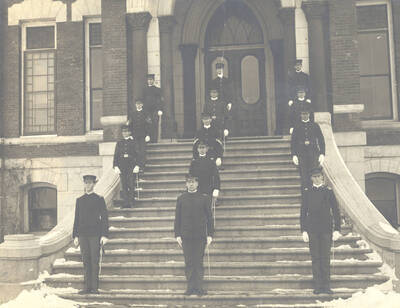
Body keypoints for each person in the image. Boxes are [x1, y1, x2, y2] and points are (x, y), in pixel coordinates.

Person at [300, 167, 341, 294]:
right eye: (314, 176)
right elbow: (303, 212)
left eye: (319, 176)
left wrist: (337, 229)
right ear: (311, 178)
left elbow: (335, 211)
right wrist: (304, 230)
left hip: (326, 229)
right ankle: (317, 286)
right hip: (312, 229)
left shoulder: (328, 191)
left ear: (322, 177)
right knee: (316, 258)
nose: (317, 178)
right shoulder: (307, 192)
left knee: (325, 258)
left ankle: (326, 286)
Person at [174, 174, 214, 296]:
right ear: (186, 184)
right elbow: (178, 218)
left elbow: (209, 218)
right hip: (186, 236)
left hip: (200, 236)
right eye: (188, 182)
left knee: (198, 262)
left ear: (197, 183)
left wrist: (210, 235)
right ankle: (190, 287)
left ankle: (199, 288)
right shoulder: (181, 198)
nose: (191, 184)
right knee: (189, 262)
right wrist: (177, 235)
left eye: (193, 182)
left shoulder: (204, 198)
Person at [72, 174, 109, 295]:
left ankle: (95, 288)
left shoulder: (99, 199)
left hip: (95, 234)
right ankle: (87, 287)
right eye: (86, 183)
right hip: (83, 235)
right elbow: (76, 218)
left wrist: (104, 235)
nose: (88, 185)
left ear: (94, 184)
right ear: (84, 184)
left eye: (90, 183)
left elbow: (104, 218)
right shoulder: (79, 200)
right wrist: (75, 235)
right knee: (86, 261)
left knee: (94, 260)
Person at [291, 104, 325, 193]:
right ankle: (305, 198)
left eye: (306, 114)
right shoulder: (297, 126)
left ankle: (314, 195)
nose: (304, 115)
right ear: (300, 115)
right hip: (301, 154)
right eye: (303, 114)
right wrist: (294, 155)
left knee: (314, 174)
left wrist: (322, 153)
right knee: (304, 177)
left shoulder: (315, 125)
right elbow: (293, 142)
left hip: (313, 153)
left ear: (309, 114)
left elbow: (321, 140)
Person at [113, 124, 140, 208]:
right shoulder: (119, 143)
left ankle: (131, 202)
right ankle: (125, 202)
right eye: (124, 131)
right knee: (124, 185)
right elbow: (116, 155)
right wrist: (115, 166)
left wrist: (137, 165)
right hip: (122, 166)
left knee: (131, 184)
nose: (125, 133)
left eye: (127, 131)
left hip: (131, 166)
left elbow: (138, 154)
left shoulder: (134, 142)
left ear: (130, 132)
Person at [128, 99, 152, 172]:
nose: (138, 105)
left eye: (140, 104)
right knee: (135, 151)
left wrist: (148, 135)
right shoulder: (132, 114)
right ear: (135, 105)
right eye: (137, 104)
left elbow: (149, 124)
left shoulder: (146, 113)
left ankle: (142, 166)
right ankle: (136, 166)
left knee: (142, 151)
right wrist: (130, 134)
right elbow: (130, 125)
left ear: (142, 105)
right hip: (135, 136)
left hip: (143, 136)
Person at [143, 74, 163, 142]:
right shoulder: (144, 90)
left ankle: (154, 140)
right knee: (148, 124)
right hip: (147, 111)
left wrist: (160, 109)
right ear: (147, 81)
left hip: (155, 110)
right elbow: (143, 100)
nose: (150, 81)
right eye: (148, 80)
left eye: (151, 80)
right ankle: (148, 139)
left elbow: (160, 100)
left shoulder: (157, 90)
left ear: (153, 80)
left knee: (155, 124)